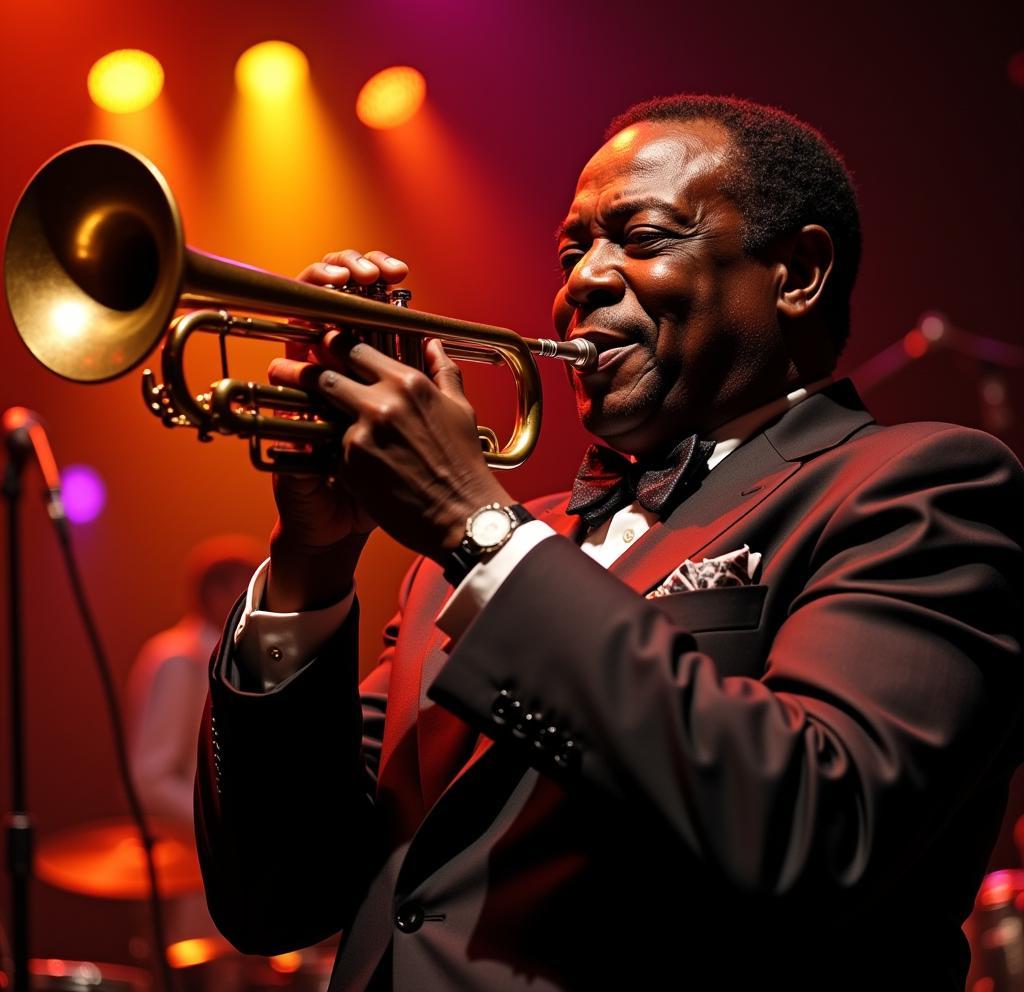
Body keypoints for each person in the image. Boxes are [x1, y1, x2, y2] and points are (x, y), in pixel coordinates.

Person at [193, 95, 1024, 990]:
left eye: (643, 235)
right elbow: (275, 895)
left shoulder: (923, 486)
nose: (579, 281)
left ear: (798, 273)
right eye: (571, 250)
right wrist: (308, 567)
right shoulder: (475, 563)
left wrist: (478, 530)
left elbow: (822, 826)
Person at [128, 535, 261, 979]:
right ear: (217, 593)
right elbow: (151, 778)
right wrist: (224, 824)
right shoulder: (178, 659)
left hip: (226, 865)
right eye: (248, 590)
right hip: (193, 870)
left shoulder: (231, 658)